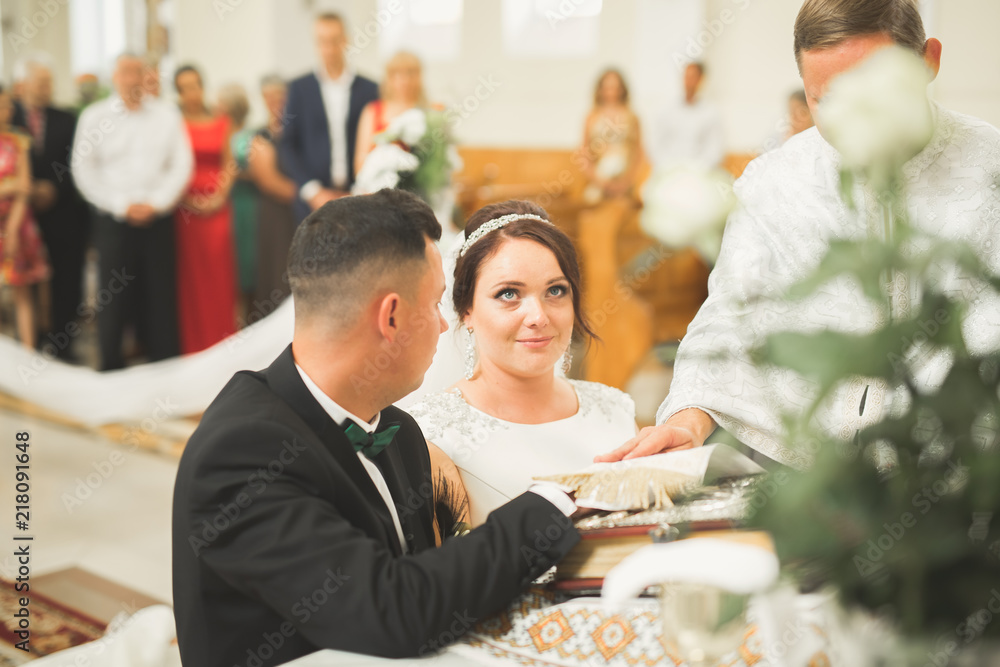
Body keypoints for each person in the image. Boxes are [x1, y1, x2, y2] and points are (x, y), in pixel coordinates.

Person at [172, 189, 581, 665]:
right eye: (434, 305)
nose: (443, 326)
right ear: (390, 317)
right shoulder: (242, 452)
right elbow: (392, 612)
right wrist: (558, 500)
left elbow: (436, 586)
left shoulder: (398, 431)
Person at [598, 0, 1000, 469]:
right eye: (824, 100)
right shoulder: (774, 181)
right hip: (805, 468)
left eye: (871, 95)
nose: (850, 121)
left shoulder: (990, 167)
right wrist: (688, 418)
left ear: (928, 60)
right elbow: (730, 315)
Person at [408, 201, 638, 525]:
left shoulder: (615, 409)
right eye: (509, 294)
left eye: (555, 290)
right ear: (466, 311)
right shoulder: (433, 434)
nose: (538, 317)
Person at [73, 53, 193, 371]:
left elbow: (181, 164)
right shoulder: (94, 117)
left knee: (160, 293)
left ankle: (165, 365)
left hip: (158, 217)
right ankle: (111, 366)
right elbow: (83, 169)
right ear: (114, 76)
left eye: (137, 72)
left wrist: (158, 201)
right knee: (113, 296)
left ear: (146, 76)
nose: (131, 79)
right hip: (113, 219)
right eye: (125, 72)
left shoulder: (167, 115)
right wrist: (120, 205)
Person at [11, 54, 90, 361]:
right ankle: (29, 345)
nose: (46, 87)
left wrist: (54, 188)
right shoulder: (9, 117)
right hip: (21, 213)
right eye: (40, 82)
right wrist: (28, 190)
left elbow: (79, 161)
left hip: (62, 210)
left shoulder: (66, 118)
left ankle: (62, 345)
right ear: (23, 84)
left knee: (66, 278)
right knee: (25, 279)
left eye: (49, 82)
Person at [278, 13, 379, 223]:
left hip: (359, 198)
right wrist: (312, 190)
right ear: (316, 44)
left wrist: (361, 189)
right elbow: (288, 144)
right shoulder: (299, 89)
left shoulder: (369, 89)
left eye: (335, 40)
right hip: (312, 203)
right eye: (323, 41)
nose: (329, 48)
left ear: (346, 40)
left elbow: (376, 143)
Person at [174, 65, 237, 354]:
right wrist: (188, 200)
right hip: (185, 211)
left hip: (217, 209)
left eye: (195, 85)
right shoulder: (175, 124)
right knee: (192, 279)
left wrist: (219, 196)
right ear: (178, 93)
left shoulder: (222, 121)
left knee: (219, 275)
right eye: (184, 88)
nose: (192, 93)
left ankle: (222, 340)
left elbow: (229, 163)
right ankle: (195, 343)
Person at [0, 85, 50, 349]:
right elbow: (16, 185)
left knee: (22, 291)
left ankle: (28, 354)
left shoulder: (18, 139)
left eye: (8, 105)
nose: (6, 111)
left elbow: (25, 187)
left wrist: (11, 228)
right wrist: (10, 186)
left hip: (18, 224)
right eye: (1, 106)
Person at [249, 75, 297, 309]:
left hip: (301, 212)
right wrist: (310, 195)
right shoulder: (261, 137)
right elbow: (269, 181)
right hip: (277, 216)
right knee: (279, 271)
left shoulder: (297, 130)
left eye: (279, 95)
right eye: (269, 96)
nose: (275, 101)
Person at [216, 82, 257, 318]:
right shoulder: (218, 133)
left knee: (245, 260)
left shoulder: (249, 136)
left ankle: (248, 314)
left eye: (220, 104)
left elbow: (255, 171)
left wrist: (231, 173)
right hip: (223, 204)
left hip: (244, 204)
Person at [578, 69, 645, 204]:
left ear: (622, 89)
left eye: (615, 87)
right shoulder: (592, 117)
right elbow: (584, 154)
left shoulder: (632, 117)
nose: (611, 91)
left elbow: (639, 153)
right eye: (607, 87)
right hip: (599, 180)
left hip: (625, 181)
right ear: (600, 90)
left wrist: (626, 182)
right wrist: (600, 181)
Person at [354, 51, 424, 174]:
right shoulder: (373, 111)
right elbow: (360, 165)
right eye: (397, 73)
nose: (405, 80)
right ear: (389, 78)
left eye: (410, 73)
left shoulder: (431, 112)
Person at [648, 62, 725, 171]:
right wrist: (669, 167)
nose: (688, 82)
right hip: (668, 171)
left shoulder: (711, 113)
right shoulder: (666, 110)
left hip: (700, 174)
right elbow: (656, 144)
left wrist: (696, 169)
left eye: (693, 77)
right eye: (686, 77)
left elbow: (715, 150)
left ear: (701, 80)